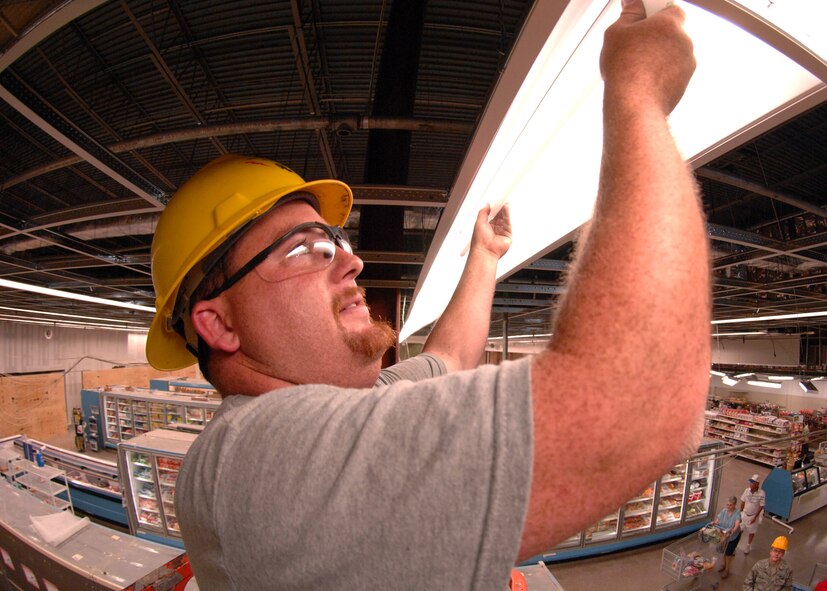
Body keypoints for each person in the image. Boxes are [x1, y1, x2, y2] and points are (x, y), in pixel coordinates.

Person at [145, 0, 710, 588]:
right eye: (305, 249)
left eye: (337, 242)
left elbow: (451, 360)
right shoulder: (256, 457)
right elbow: (636, 399)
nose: (353, 261)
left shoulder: (344, 406)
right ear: (218, 324)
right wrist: (638, 95)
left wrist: (484, 258)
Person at [710, 496, 741, 579]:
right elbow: (718, 520)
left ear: (734, 505)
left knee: (728, 553)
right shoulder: (724, 511)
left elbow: (737, 525)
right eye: (727, 505)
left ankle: (727, 569)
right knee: (723, 550)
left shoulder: (737, 513)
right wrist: (714, 523)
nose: (728, 507)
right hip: (724, 535)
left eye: (730, 505)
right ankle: (724, 565)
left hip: (732, 537)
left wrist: (732, 531)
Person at [741, 473, 767, 554]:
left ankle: (748, 545)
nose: (750, 484)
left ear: (757, 484)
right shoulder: (746, 490)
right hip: (744, 514)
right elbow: (742, 501)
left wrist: (755, 517)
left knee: (751, 532)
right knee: (739, 530)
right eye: (750, 482)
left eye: (753, 482)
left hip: (753, 516)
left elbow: (761, 506)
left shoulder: (761, 493)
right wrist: (740, 513)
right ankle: (735, 544)